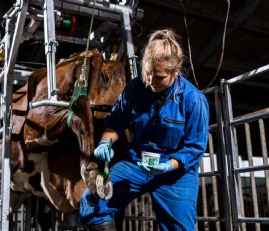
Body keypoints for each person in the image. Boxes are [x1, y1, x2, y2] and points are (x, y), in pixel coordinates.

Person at [79, 28, 210, 231]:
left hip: (174, 171)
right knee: (93, 201)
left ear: (175, 72)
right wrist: (106, 142)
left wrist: (167, 167)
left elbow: (194, 148)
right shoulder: (135, 88)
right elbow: (116, 122)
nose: (150, 81)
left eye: (158, 77)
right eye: (147, 73)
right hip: (138, 163)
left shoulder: (194, 100)